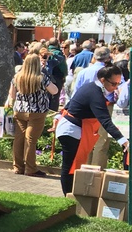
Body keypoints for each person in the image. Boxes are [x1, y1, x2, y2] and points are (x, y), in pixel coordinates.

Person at [55, 64, 128, 195]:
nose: (115, 88)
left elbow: (71, 103)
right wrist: (124, 141)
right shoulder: (94, 93)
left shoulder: (91, 88)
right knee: (70, 167)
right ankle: (68, 198)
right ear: (102, 80)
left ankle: (71, 197)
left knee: (74, 166)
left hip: (75, 128)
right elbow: (105, 120)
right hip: (71, 130)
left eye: (118, 84)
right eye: (113, 84)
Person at [7, 53, 58, 177]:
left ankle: (18, 166)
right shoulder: (41, 78)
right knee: (31, 139)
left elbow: (12, 95)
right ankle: (30, 168)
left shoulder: (17, 77)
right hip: (37, 111)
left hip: (19, 110)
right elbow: (54, 90)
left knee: (19, 138)